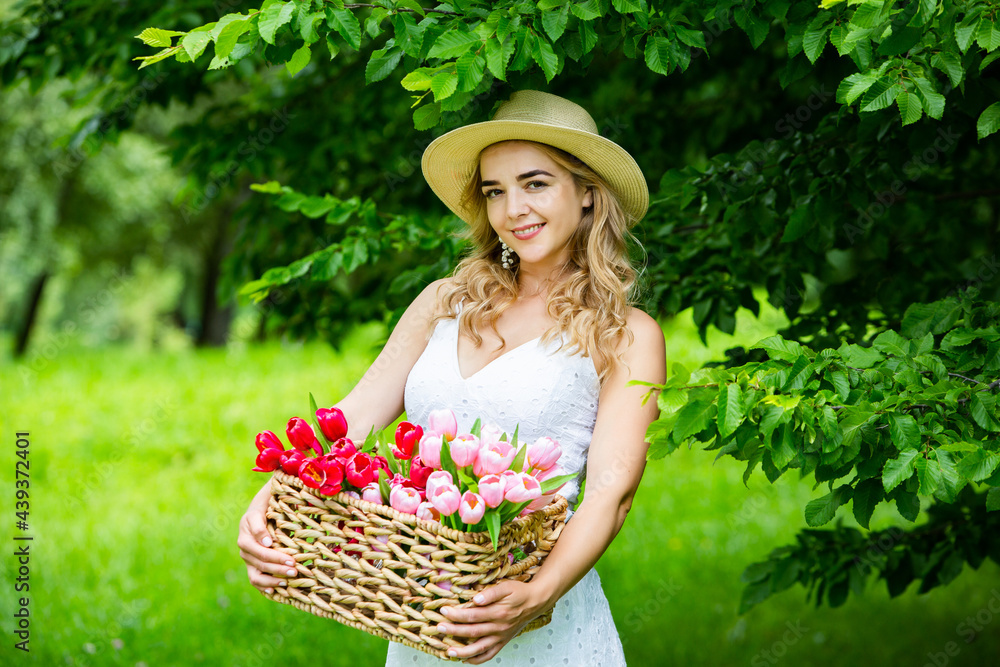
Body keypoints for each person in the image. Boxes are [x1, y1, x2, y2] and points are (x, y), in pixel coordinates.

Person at [237, 89, 666, 665]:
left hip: (540, 614)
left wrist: (534, 596)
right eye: (496, 191)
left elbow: (612, 493)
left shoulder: (627, 332)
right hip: (424, 612)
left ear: (588, 193)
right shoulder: (445, 301)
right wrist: (271, 501)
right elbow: (353, 416)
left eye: (534, 183)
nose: (514, 209)